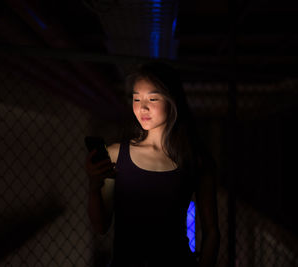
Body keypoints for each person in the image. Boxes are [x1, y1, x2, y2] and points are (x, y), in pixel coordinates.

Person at [85, 61, 220, 267]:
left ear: (172, 99)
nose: (142, 107)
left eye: (153, 98)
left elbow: (211, 231)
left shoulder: (195, 159)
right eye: (136, 98)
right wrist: (94, 186)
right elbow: (101, 225)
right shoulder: (115, 154)